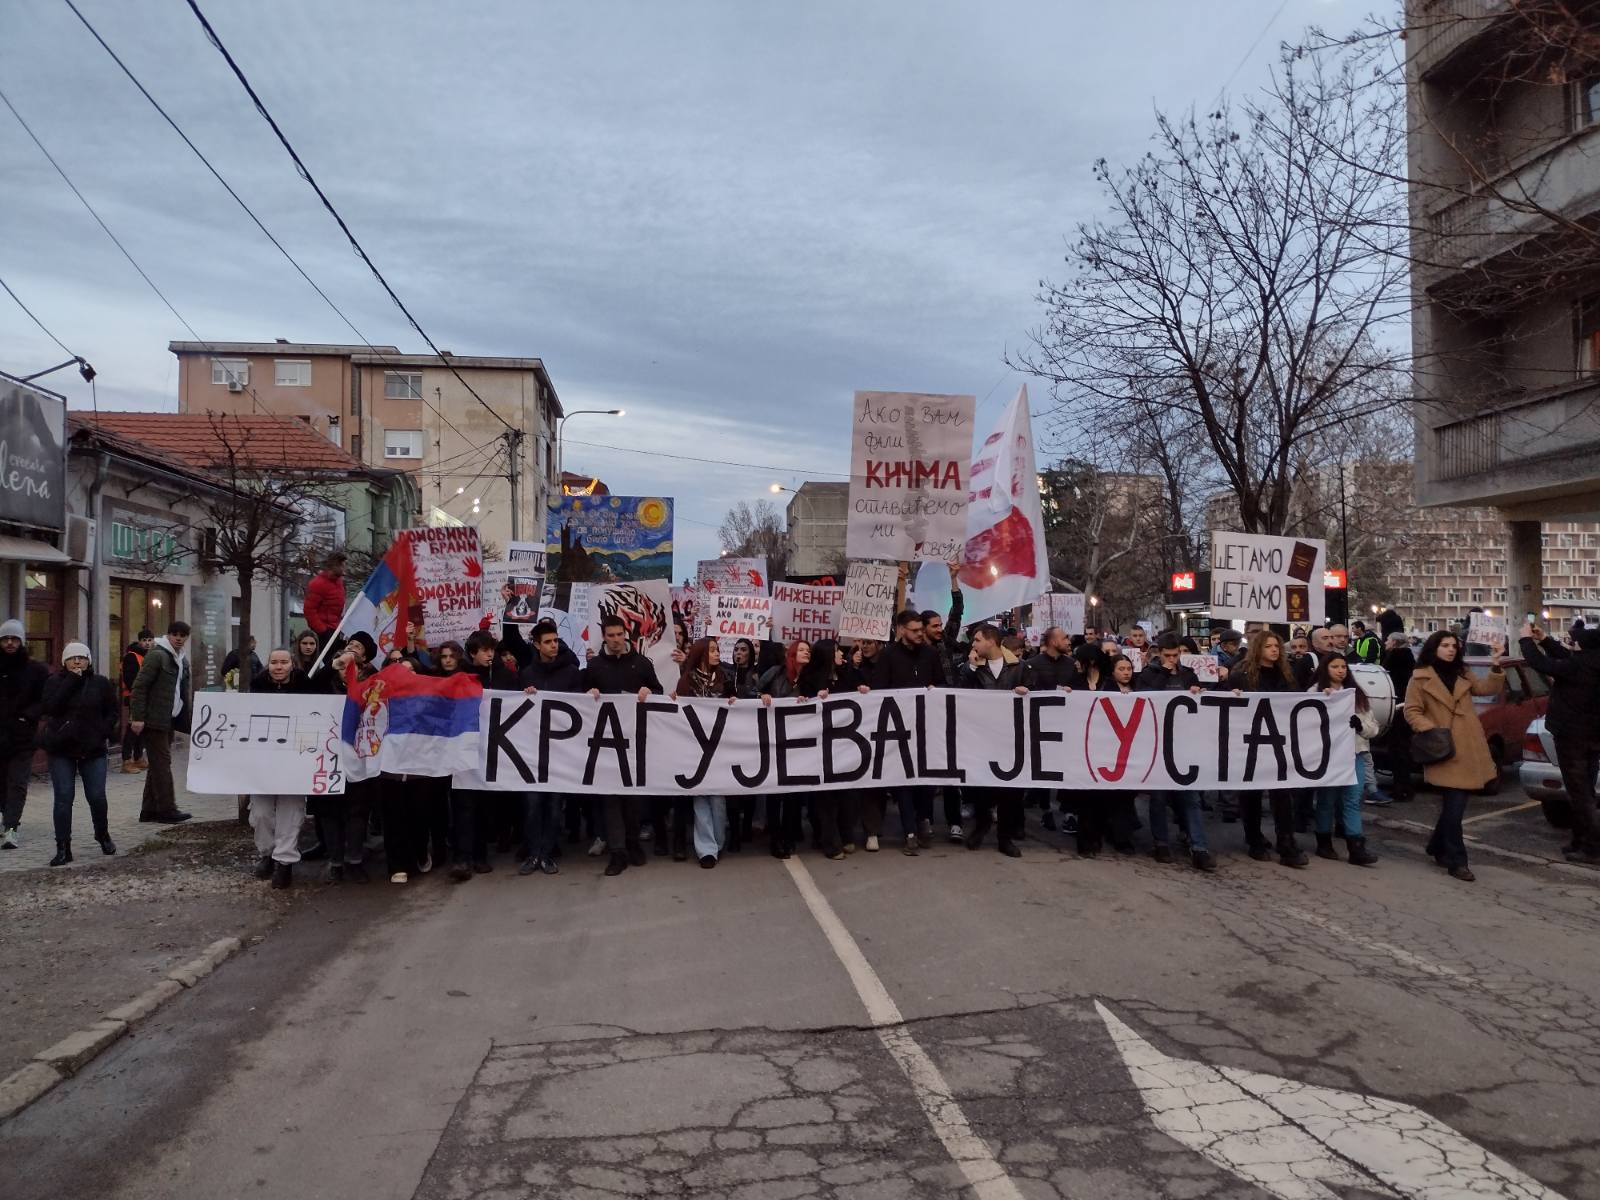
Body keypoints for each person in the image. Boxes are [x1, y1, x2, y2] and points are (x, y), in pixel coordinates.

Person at [1403, 630, 1505, 883]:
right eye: (1445, 645)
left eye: (1454, 646)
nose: (1451, 650)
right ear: (1434, 648)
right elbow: (1412, 710)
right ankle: (1458, 861)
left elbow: (1485, 689)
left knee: (1454, 807)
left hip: (1468, 746)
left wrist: (1495, 664)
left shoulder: (1463, 671)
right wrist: (1429, 729)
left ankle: (1437, 846)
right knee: (1454, 808)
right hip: (1442, 747)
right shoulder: (1420, 677)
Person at [583, 613, 663, 876]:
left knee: (632, 799)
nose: (616, 640)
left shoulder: (641, 664)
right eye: (611, 636)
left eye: (620, 635)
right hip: (605, 745)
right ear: (604, 637)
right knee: (610, 798)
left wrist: (649, 692)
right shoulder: (594, 667)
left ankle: (632, 843)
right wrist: (588, 694)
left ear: (626, 634)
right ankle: (617, 852)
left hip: (634, 743)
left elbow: (659, 692)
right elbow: (576, 703)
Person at [1518, 621, 1600, 864]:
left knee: (1580, 794)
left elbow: (1541, 664)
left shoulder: (1579, 665)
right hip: (1593, 737)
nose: (1570, 644)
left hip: (1572, 737)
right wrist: (1544, 640)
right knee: (1584, 791)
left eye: (1573, 642)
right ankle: (1580, 841)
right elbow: (1566, 658)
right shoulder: (1590, 662)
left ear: (1582, 647)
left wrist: (1525, 640)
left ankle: (1592, 847)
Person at [1134, 633, 1217, 872]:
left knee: (1190, 798)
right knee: (1159, 797)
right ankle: (1161, 843)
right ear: (1160, 654)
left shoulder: (1188, 674)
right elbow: (1145, 701)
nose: (1172, 659)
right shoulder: (1149, 674)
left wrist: (1199, 691)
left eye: (1175, 655)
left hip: (1184, 742)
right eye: (1167, 656)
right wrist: (1163, 674)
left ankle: (1199, 848)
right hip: (1158, 743)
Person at [39, 642, 119, 865]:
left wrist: (102, 730)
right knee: (63, 798)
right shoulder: (54, 682)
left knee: (96, 796)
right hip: (61, 749)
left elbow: (112, 711)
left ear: (88, 660)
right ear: (64, 661)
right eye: (72, 658)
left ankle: (102, 834)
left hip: (92, 749)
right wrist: (71, 681)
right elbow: (50, 708)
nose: (77, 661)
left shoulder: (100, 683)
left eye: (81, 657)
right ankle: (63, 847)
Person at [1235, 629, 1308, 867]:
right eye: (1268, 647)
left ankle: (1286, 842)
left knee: (1281, 793)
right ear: (1258, 649)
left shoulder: (1286, 675)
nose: (1274, 650)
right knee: (1251, 793)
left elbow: (1297, 702)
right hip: (1250, 741)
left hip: (1278, 741)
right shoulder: (1241, 673)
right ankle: (1254, 838)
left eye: (1276, 646)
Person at [955, 623, 1028, 857]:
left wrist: (1027, 691)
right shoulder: (972, 668)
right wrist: (970, 669)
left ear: (990, 641)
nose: (973, 645)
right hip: (981, 735)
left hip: (1009, 736)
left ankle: (1004, 837)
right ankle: (982, 824)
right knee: (980, 786)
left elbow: (1036, 694)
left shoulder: (1019, 667)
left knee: (1009, 789)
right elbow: (960, 693)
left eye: (977, 640)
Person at [517, 620, 584, 875]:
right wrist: (526, 696)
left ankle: (547, 853)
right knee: (532, 805)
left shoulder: (570, 673)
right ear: (536, 645)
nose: (554, 645)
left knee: (555, 806)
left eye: (555, 640)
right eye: (548, 642)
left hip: (560, 752)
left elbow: (580, 708)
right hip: (532, 753)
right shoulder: (526, 674)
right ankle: (533, 853)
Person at [879, 609, 945, 853]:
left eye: (921, 630)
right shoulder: (888, 656)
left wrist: (934, 689)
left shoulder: (930, 654)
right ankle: (909, 831)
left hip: (927, 727)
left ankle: (923, 820)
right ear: (901, 630)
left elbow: (942, 683)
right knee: (903, 780)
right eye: (915, 630)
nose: (920, 634)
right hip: (899, 730)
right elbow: (880, 690)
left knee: (926, 780)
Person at [315, 631, 378, 882]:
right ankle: (336, 861)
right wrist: (335, 664)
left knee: (356, 812)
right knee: (330, 814)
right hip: (326, 760)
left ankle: (354, 860)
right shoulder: (323, 686)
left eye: (352, 667)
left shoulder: (367, 692)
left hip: (358, 761)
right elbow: (310, 686)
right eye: (343, 667)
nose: (346, 671)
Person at [247, 649, 314, 888]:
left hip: (293, 761)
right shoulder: (257, 685)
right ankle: (267, 852)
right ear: (268, 664)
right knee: (261, 812)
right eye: (274, 662)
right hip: (263, 760)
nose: (278, 667)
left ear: (291, 665)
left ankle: (285, 862)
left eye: (284, 662)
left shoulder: (306, 686)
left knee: (291, 811)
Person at [1308, 653, 1380, 867]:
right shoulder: (1315, 693)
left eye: (1343, 667)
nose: (1340, 670)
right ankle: (1323, 841)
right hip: (1328, 755)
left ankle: (1356, 847)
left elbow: (1373, 727)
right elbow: (1307, 724)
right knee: (1327, 799)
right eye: (1335, 666)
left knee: (1352, 798)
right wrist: (1326, 701)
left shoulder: (1357, 695)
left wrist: (1359, 725)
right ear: (1325, 669)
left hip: (1354, 753)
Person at [675, 637, 736, 867]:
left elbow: (737, 704)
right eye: (712, 650)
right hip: (695, 748)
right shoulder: (686, 682)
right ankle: (706, 849)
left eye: (717, 649)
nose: (717, 653)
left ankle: (718, 842)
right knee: (700, 798)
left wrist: (733, 701)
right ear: (701, 654)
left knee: (718, 799)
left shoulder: (724, 678)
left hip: (719, 747)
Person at [129, 620, 193, 826]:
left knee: (157, 764)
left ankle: (148, 811)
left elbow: (182, 691)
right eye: (175, 634)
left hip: (170, 718)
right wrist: (137, 717)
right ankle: (167, 809)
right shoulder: (157, 655)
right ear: (168, 635)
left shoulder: (181, 658)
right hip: (154, 719)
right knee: (163, 764)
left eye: (182, 635)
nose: (178, 638)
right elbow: (139, 687)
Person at [758, 640, 811, 859]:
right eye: (801, 649)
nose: (806, 652)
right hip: (775, 738)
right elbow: (754, 690)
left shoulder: (811, 677)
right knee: (775, 791)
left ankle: (789, 836)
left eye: (808, 650)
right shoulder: (776, 673)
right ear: (792, 653)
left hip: (800, 741)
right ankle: (775, 838)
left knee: (793, 793)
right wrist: (762, 697)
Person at [0, 618, 49, 848]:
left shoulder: (35, 670)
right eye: (5, 639)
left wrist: (28, 716)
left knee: (17, 783)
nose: (10, 643)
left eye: (14, 639)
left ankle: (11, 827)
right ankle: (5, 817)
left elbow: (45, 699)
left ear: (21, 641)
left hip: (22, 737)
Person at [119, 628, 153, 773]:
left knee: (142, 729)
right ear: (139, 641)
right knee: (133, 729)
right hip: (135, 698)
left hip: (146, 698)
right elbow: (129, 679)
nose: (147, 643)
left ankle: (138, 757)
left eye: (149, 640)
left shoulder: (149, 656)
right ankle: (126, 760)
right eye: (144, 640)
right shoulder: (131, 657)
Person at [305, 552, 347, 646]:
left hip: (335, 630)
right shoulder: (318, 584)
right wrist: (322, 631)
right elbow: (309, 610)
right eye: (342, 565)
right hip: (324, 632)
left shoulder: (339, 582)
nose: (345, 568)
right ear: (335, 565)